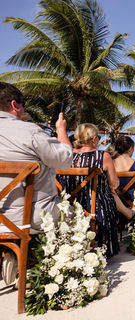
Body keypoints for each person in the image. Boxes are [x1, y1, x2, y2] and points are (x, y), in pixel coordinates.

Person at [0, 82, 72, 285]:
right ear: (14, 105)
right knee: (72, 215)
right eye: (23, 106)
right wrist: (61, 131)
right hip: (27, 217)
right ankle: (53, 273)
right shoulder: (29, 132)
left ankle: (14, 253)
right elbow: (65, 160)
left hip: (3, 218)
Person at [59, 123, 127, 258]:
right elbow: (114, 184)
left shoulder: (68, 155)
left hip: (70, 205)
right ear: (93, 139)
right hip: (96, 206)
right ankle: (104, 246)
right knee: (109, 195)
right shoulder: (103, 156)